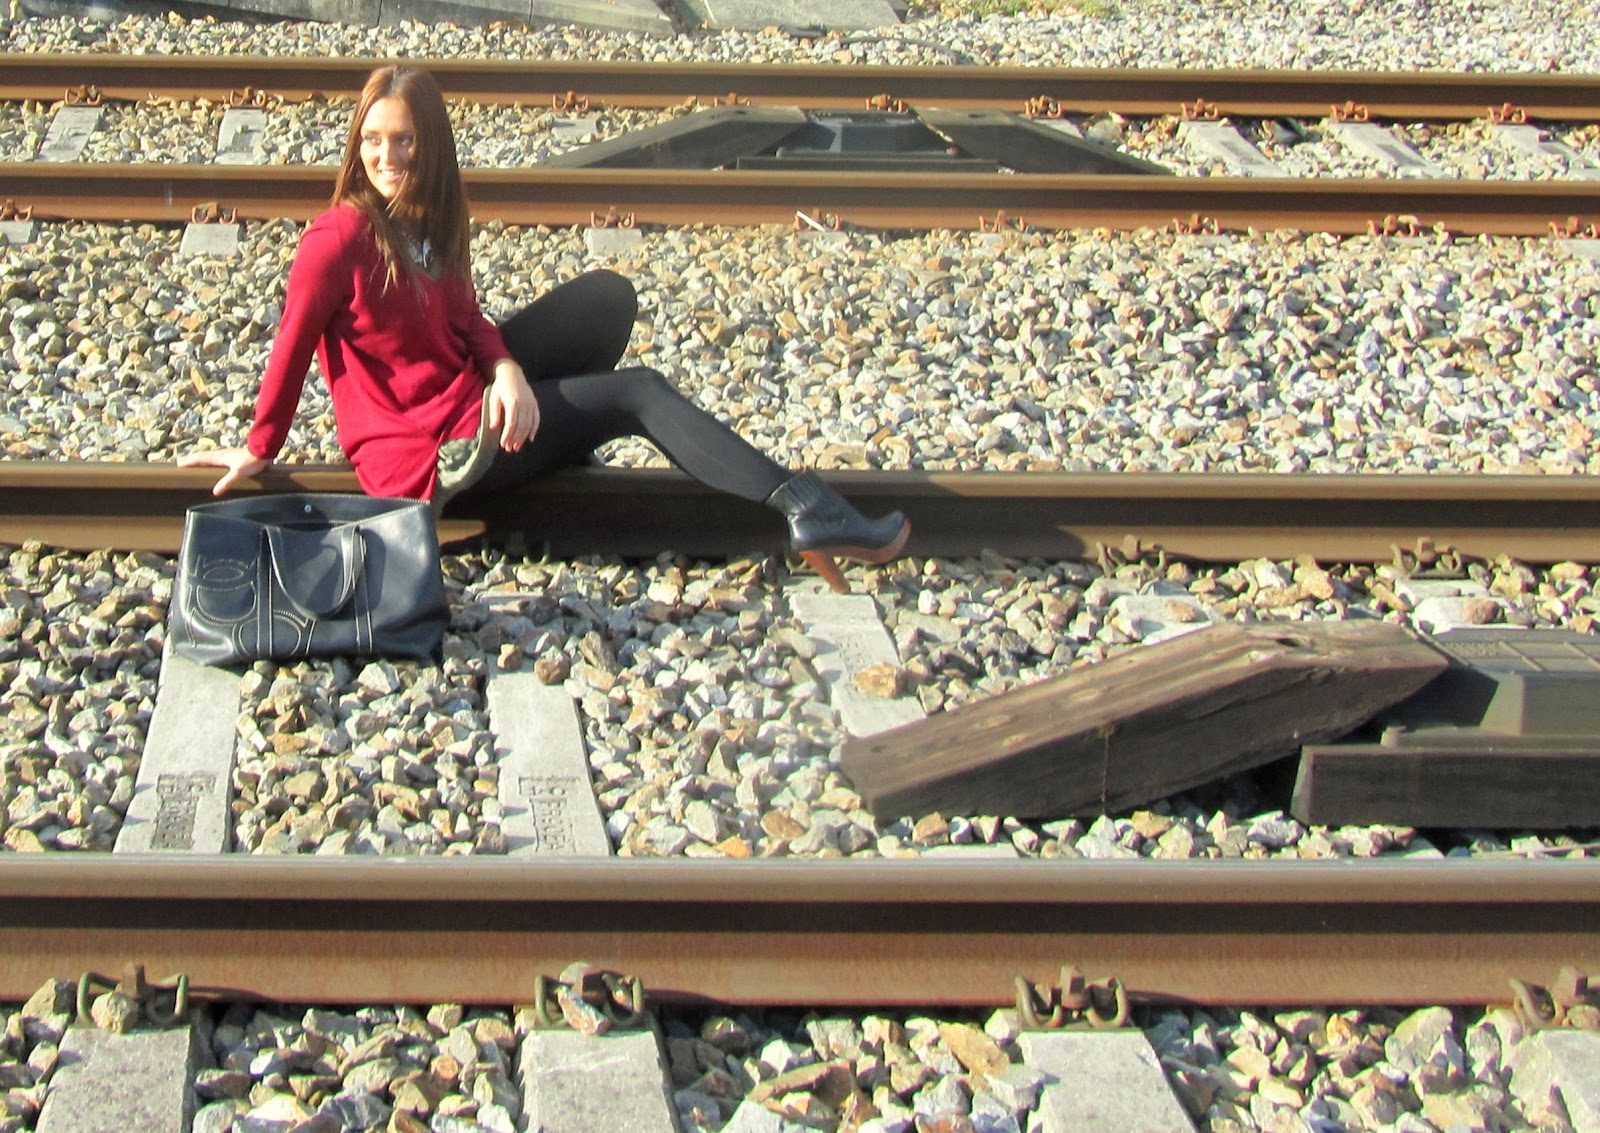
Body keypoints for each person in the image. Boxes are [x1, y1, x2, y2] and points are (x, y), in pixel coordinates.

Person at [179, 64, 909, 594]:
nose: (386, 157)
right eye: (372, 140)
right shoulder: (337, 239)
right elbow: (293, 342)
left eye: (403, 140)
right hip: (428, 447)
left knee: (606, 298)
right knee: (638, 393)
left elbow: (467, 321)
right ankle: (804, 506)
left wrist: (507, 372)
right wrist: (259, 447)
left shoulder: (426, 223)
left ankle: (557, 428)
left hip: (464, 395)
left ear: (431, 144)